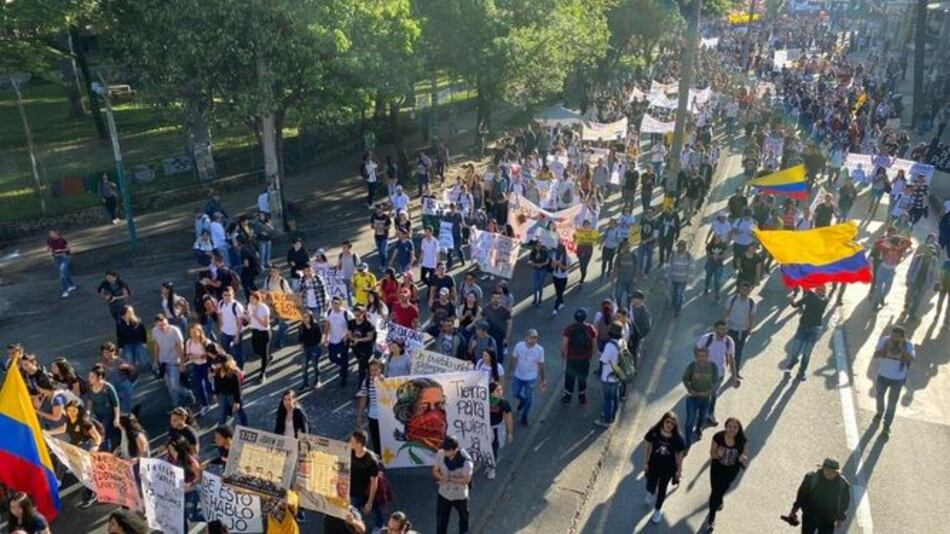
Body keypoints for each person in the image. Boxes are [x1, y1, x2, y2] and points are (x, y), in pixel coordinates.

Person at [782, 459, 850, 534]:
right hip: (810, 515)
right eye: (827, 470)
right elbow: (801, 495)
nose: (830, 473)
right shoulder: (811, 478)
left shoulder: (843, 485)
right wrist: (793, 511)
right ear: (823, 468)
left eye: (833, 471)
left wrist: (840, 518)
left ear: (837, 472)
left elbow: (845, 502)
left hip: (828, 519)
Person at [641, 411, 685, 524]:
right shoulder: (655, 432)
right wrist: (646, 461)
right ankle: (650, 492)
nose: (669, 425)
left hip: (668, 469)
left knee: (662, 489)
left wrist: (679, 470)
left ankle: (657, 510)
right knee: (650, 484)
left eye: (672, 423)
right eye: (667, 422)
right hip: (654, 465)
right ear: (663, 421)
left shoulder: (677, 438)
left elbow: (680, 454)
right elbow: (647, 442)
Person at [705, 417, 749, 531]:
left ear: (739, 429)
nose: (732, 429)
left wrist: (742, 458)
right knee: (715, 492)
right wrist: (718, 454)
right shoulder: (718, 437)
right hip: (717, 468)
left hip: (732, 470)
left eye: (735, 427)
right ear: (726, 427)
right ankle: (711, 519)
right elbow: (712, 454)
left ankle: (719, 500)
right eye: (730, 426)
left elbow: (744, 453)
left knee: (724, 489)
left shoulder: (741, 439)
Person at [872, 325, 914, 437]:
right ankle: (880, 412)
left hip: (898, 379)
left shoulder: (908, 345)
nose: (894, 338)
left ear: (902, 337)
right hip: (883, 375)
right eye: (892, 335)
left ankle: (886, 426)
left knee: (892, 403)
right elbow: (875, 355)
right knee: (879, 396)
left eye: (897, 336)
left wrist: (902, 349)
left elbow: (910, 359)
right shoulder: (885, 340)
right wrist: (886, 348)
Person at [694, 321, 737, 426]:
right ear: (715, 329)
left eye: (726, 329)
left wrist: (734, 376)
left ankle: (710, 414)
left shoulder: (729, 342)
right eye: (721, 329)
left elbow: (731, 358)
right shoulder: (707, 339)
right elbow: (696, 349)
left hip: (719, 374)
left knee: (713, 395)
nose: (723, 332)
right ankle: (699, 411)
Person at [785, 285, 830, 382]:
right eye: (818, 289)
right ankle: (793, 360)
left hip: (814, 329)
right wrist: (791, 300)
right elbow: (796, 305)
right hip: (803, 326)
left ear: (825, 292)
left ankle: (801, 372)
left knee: (807, 353)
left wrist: (809, 291)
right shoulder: (810, 296)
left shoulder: (825, 300)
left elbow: (818, 300)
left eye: (822, 290)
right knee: (796, 348)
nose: (820, 291)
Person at [151, 313, 195, 408]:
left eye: (164, 324)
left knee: (175, 386)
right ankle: (176, 404)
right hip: (163, 361)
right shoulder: (155, 331)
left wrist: (182, 363)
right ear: (156, 325)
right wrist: (156, 359)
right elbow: (157, 345)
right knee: (169, 386)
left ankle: (188, 393)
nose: (163, 327)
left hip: (174, 361)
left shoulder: (175, 330)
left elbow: (180, 346)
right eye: (160, 325)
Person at [433, 436, 474, 534]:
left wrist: (448, 479)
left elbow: (466, 480)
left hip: (460, 496)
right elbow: (435, 471)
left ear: (454, 450)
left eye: (447, 450)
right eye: (444, 448)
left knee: (464, 520)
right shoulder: (441, 454)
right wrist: (440, 477)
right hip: (444, 494)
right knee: (441, 523)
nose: (444, 452)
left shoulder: (466, 462)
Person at [682, 346, 719, 447]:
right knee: (690, 419)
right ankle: (687, 441)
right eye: (699, 356)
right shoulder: (692, 366)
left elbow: (716, 382)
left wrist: (709, 392)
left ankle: (698, 429)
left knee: (702, 417)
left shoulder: (713, 366)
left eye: (704, 356)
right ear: (696, 357)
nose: (701, 358)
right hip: (692, 398)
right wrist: (690, 390)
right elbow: (685, 379)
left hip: (706, 398)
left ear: (708, 356)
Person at [163, 435, 204, 523]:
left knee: (191, 516)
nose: (172, 451)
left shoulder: (190, 461)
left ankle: (214, 519)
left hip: (191, 491)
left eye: (174, 449)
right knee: (181, 516)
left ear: (180, 448)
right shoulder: (169, 458)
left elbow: (199, 477)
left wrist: (190, 483)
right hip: (178, 491)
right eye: (170, 449)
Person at [508, 329, 545, 426]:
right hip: (518, 375)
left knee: (529, 397)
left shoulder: (539, 350)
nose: (534, 340)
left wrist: (542, 379)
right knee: (515, 393)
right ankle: (522, 400)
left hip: (531, 378)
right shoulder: (519, 346)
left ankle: (524, 416)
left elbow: (541, 365)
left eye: (535, 338)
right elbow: (513, 358)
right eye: (532, 338)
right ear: (526, 338)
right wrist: (510, 371)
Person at [350, 430, 385, 531]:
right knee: (353, 510)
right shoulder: (350, 451)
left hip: (367, 491)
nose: (349, 443)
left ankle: (379, 526)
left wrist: (369, 501)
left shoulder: (371, 460)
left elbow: (374, 482)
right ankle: (356, 528)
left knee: (375, 508)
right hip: (354, 491)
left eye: (351, 441)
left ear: (359, 444)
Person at [561, 308, 597, 405]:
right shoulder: (591, 328)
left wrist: (563, 354)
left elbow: (564, 344)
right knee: (582, 378)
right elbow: (594, 343)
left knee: (569, 377)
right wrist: (592, 355)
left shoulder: (569, 329)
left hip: (572, 358)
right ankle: (582, 397)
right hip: (585, 358)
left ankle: (568, 397)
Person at [723, 281, 756, 377]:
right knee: (726, 351)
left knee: (738, 352)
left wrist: (750, 329)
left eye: (748, 290)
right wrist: (723, 325)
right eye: (744, 289)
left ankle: (735, 372)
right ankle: (722, 370)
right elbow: (726, 312)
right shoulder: (732, 299)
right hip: (730, 329)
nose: (745, 291)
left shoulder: (751, 303)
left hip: (742, 331)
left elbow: (752, 316)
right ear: (740, 289)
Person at [86, 364, 120, 451]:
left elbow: (116, 404)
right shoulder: (90, 387)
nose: (89, 378)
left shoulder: (108, 388)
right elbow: (90, 400)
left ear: (99, 377)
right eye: (89, 376)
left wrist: (116, 418)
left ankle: (107, 451)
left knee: (103, 432)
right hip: (98, 414)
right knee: (101, 432)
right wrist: (88, 412)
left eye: (92, 377)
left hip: (108, 414)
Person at [595, 323, 624, 428]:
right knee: (615, 397)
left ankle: (607, 419)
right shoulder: (621, 342)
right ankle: (613, 415)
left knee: (608, 399)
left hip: (608, 376)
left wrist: (599, 353)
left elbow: (604, 360)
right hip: (618, 374)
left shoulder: (610, 345)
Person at [184, 324, 214, 415]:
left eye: (195, 332)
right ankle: (205, 404)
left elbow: (210, 355)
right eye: (191, 332)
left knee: (208, 383)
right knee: (200, 385)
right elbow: (189, 355)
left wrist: (200, 356)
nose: (193, 334)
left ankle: (213, 394)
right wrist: (196, 357)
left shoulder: (206, 342)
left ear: (200, 332)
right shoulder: (189, 342)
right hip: (197, 366)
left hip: (206, 365)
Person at [356, 359, 384, 453]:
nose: (374, 372)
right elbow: (363, 397)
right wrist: (360, 415)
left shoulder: (387, 380)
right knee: (376, 440)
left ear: (381, 370)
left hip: (385, 417)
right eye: (372, 370)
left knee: (386, 439)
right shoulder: (367, 381)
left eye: (376, 369)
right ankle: (379, 460)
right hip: (373, 416)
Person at [487, 381, 513, 479]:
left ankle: (491, 467)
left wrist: (510, 433)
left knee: (494, 449)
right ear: (491, 393)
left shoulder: (503, 402)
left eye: (501, 390)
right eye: (498, 390)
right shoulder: (483, 400)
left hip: (496, 429)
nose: (501, 392)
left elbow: (509, 417)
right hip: (484, 429)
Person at [212, 355, 248, 426]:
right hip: (223, 395)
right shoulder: (217, 372)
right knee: (222, 412)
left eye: (217, 363)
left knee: (240, 412)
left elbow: (237, 388)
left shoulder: (233, 374)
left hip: (232, 395)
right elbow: (217, 384)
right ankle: (222, 427)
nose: (215, 365)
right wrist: (215, 393)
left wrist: (237, 401)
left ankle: (245, 426)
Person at [246, 291, 272, 381]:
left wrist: (256, 316)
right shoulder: (249, 306)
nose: (250, 300)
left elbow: (266, 324)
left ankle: (263, 373)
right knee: (256, 350)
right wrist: (247, 318)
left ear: (257, 299)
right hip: (254, 330)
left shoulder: (264, 308)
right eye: (250, 298)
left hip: (264, 332)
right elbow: (250, 319)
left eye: (252, 299)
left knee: (264, 353)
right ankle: (268, 357)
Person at [217, 286, 246, 368]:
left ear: (233, 295)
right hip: (224, 332)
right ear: (222, 295)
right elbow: (220, 314)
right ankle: (229, 366)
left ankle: (240, 368)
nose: (227, 297)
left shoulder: (237, 306)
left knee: (238, 352)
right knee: (226, 351)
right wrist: (221, 327)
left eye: (229, 295)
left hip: (235, 333)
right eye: (225, 295)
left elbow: (240, 322)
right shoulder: (221, 303)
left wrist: (237, 336)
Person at [116, 305, 149, 371]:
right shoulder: (119, 323)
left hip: (138, 342)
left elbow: (143, 331)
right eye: (129, 312)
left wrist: (144, 342)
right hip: (127, 344)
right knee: (130, 360)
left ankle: (148, 369)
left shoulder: (137, 321)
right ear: (124, 314)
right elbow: (119, 335)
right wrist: (120, 347)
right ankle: (133, 373)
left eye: (131, 311)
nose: (132, 313)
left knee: (143, 360)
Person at [46, 229, 76, 298]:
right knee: (65, 273)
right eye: (50, 234)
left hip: (64, 258)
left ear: (56, 233)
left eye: (52, 233)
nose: (51, 235)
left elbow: (68, 249)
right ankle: (72, 285)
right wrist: (49, 249)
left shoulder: (62, 240)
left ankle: (65, 291)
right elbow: (48, 249)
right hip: (56, 259)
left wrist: (61, 250)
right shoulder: (50, 241)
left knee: (62, 274)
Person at [667, 240, 693, 316]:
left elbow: (691, 267)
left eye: (682, 246)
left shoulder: (688, 256)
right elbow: (669, 265)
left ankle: (677, 309)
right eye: (679, 246)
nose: (680, 248)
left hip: (683, 280)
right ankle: (674, 303)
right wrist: (668, 275)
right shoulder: (672, 255)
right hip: (673, 278)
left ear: (684, 247)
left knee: (679, 294)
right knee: (674, 293)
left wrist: (690, 278)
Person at [298, 310, 323, 389]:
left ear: (310, 317)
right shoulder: (301, 326)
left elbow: (318, 338)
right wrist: (301, 345)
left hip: (314, 347)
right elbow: (300, 337)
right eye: (303, 317)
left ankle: (317, 381)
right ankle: (305, 383)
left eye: (306, 317)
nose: (304, 319)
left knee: (315, 365)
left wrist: (309, 328)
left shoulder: (315, 326)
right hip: (306, 348)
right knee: (304, 367)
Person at [705, 233, 728, 300]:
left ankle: (717, 293)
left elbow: (725, 255)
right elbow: (707, 255)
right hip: (710, 263)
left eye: (719, 237)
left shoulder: (723, 245)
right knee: (708, 276)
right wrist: (713, 256)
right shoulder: (710, 245)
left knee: (717, 280)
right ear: (714, 238)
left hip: (719, 264)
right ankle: (706, 287)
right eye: (716, 237)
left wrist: (718, 257)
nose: (718, 239)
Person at [528, 239, 551, 306]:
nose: (538, 247)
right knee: (535, 285)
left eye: (539, 245)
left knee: (540, 285)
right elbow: (531, 261)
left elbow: (547, 261)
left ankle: (540, 300)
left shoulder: (544, 251)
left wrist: (541, 264)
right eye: (537, 245)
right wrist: (535, 264)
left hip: (543, 270)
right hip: (536, 269)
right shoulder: (533, 252)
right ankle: (535, 299)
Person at [551, 243, 571, 315]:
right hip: (555, 276)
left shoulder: (568, 258)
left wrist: (559, 264)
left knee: (560, 293)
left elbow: (566, 268)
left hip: (563, 277)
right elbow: (552, 266)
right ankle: (562, 303)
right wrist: (554, 264)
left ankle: (555, 308)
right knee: (558, 292)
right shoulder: (554, 256)